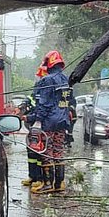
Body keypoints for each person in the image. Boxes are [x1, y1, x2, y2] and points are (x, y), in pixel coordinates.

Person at [27, 50, 74, 193]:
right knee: (58, 151)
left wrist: (38, 120)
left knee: (46, 152)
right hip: (62, 121)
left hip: (49, 122)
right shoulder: (65, 79)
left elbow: (44, 103)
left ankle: (48, 184)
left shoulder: (47, 80)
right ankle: (59, 184)